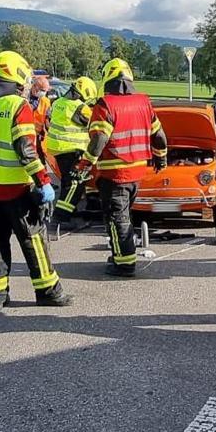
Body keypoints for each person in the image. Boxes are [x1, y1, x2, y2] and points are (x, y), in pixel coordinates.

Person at [0, 51, 71, 312]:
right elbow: (26, 149)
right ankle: (48, 292)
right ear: (18, 74)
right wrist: (43, 181)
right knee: (33, 241)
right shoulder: (18, 106)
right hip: (18, 190)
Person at [72, 58, 167, 277]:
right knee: (124, 216)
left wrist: (83, 165)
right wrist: (160, 158)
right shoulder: (144, 102)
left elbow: (99, 141)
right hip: (137, 174)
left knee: (117, 219)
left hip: (115, 175)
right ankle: (119, 253)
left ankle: (124, 264)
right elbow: (159, 136)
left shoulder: (105, 105)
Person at [44, 76, 98, 224]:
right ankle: (61, 216)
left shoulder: (59, 102)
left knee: (68, 181)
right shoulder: (81, 108)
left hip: (57, 148)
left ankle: (71, 210)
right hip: (71, 149)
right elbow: (95, 123)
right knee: (75, 183)